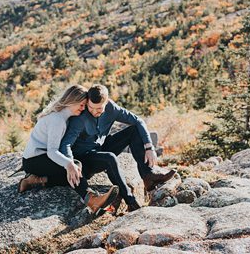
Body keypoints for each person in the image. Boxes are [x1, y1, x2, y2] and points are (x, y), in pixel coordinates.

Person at [59, 84, 176, 212]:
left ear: (106, 102)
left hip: (101, 147)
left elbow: (138, 121)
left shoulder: (112, 109)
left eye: (99, 109)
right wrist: (70, 164)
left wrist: (149, 148)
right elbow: (66, 144)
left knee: (134, 130)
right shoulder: (80, 118)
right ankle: (131, 201)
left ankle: (148, 176)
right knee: (110, 158)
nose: (93, 111)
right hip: (86, 159)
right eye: (90, 107)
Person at [18, 84, 119, 215]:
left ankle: (36, 180)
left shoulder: (64, 117)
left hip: (43, 158)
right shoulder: (58, 119)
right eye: (81, 105)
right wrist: (69, 164)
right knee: (74, 167)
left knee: (81, 171)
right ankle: (91, 200)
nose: (83, 109)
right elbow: (52, 151)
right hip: (34, 160)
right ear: (72, 101)